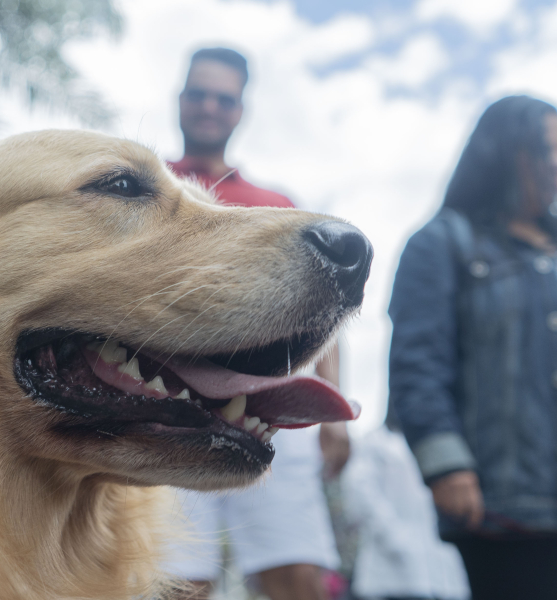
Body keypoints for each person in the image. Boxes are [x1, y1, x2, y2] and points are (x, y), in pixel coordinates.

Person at [389, 95, 557, 600]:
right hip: (511, 500)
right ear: (504, 153)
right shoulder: (443, 243)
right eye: (544, 151)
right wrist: (446, 464)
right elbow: (418, 365)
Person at [166, 46, 348, 600]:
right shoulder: (149, 195)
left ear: (239, 110)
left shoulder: (276, 206)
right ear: (180, 100)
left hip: (272, 407)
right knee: (175, 580)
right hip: (167, 402)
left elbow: (326, 317)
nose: (209, 107)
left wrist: (334, 416)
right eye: (199, 93)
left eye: (224, 98)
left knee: (296, 575)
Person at [342, 412, 470, 600]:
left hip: (439, 570)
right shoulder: (375, 442)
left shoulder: (438, 445)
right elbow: (361, 493)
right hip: (390, 571)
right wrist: (396, 538)